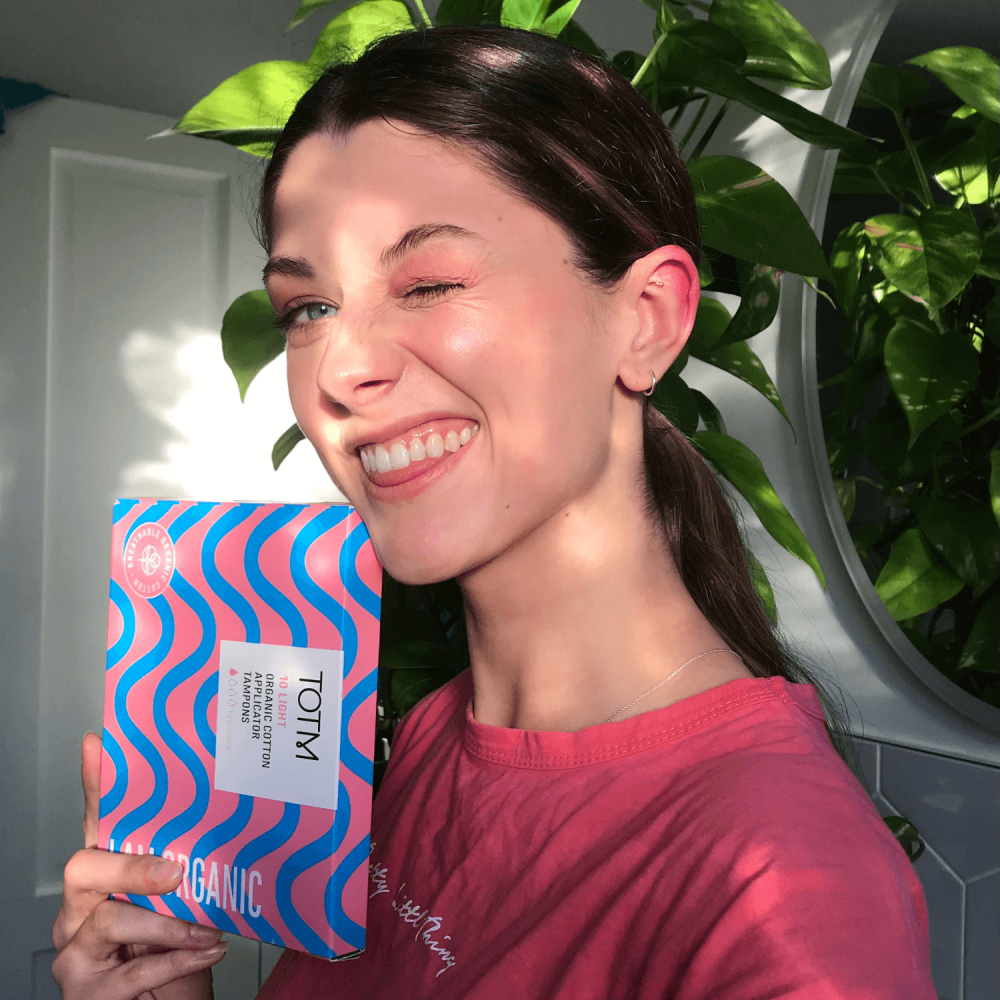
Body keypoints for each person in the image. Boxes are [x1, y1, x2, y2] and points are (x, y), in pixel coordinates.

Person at [52, 24, 936, 1000]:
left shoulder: (779, 885)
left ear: (645, 320)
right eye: (308, 309)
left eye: (428, 283)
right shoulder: (432, 736)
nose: (339, 370)